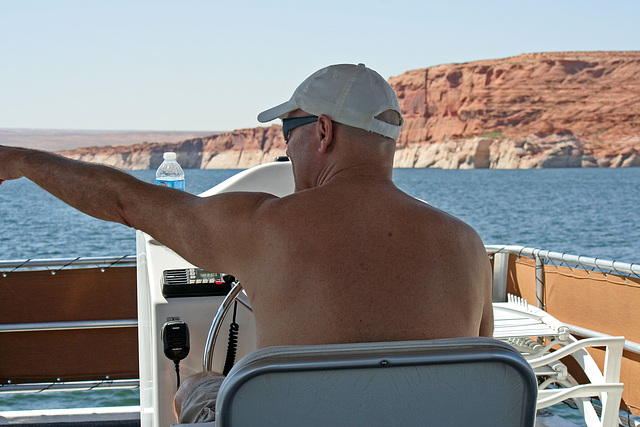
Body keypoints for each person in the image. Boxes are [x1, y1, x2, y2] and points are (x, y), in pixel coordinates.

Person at [0, 63, 493, 423]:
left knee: (196, 384)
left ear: (322, 132)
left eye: (288, 130)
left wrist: (22, 161)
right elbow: (480, 375)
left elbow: (125, 202)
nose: (285, 147)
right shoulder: (468, 245)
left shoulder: (264, 225)